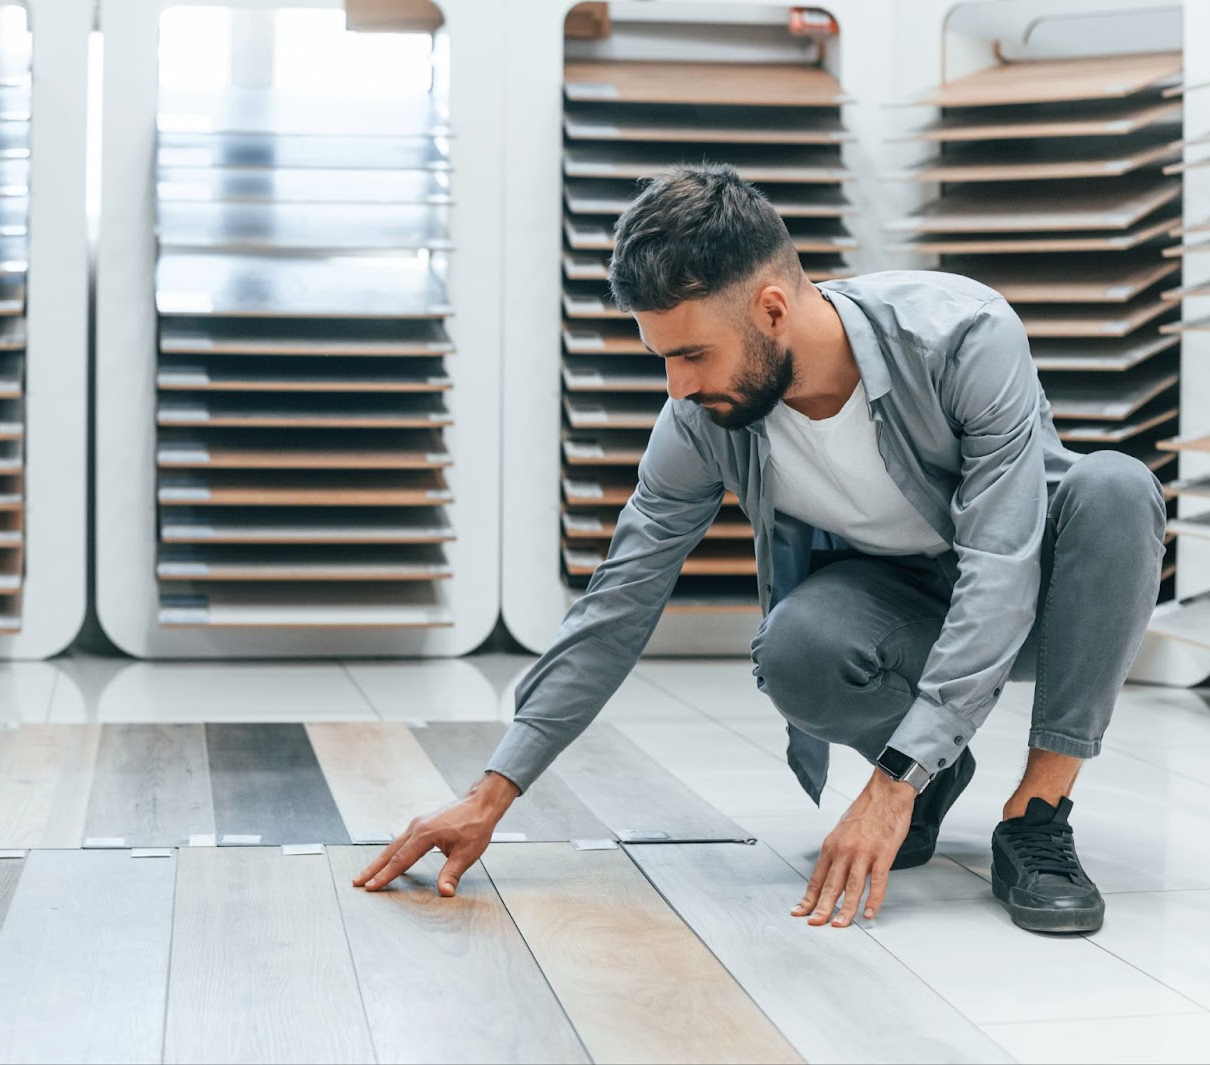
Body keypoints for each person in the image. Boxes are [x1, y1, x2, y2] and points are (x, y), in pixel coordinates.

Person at [353, 163, 1165, 934]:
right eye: (663, 358)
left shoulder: (962, 335)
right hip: (904, 605)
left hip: (1044, 596)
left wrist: (887, 786)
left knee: (1117, 489)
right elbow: (619, 598)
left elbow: (999, 563)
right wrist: (491, 792)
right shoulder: (701, 420)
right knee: (796, 647)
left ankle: (1035, 814)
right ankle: (933, 771)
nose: (676, 386)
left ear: (773, 310)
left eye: (692, 354)